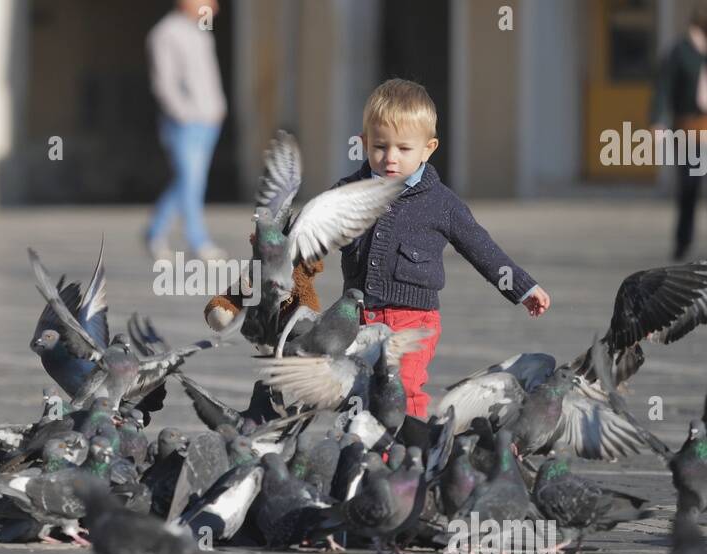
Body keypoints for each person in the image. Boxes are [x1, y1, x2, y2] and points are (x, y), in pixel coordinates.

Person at [206, 79, 551, 419]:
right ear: (363, 143)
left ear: (429, 148)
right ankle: (363, 456)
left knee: (401, 387)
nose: (390, 158)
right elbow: (312, 242)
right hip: (353, 320)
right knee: (356, 389)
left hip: (412, 322)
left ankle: (412, 454)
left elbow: (481, 248)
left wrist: (522, 287)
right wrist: (278, 255)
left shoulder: (442, 204)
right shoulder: (347, 192)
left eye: (404, 149)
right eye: (380, 146)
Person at [145, 0, 227, 262]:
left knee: (189, 181)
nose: (213, 6)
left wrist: (217, 107)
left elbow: (208, 78)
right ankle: (198, 240)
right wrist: (184, 114)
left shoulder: (200, 33)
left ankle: (155, 231)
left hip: (208, 120)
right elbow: (164, 83)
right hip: (184, 123)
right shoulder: (165, 33)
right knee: (192, 181)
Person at [651, 1, 707, 261]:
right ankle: (683, 242)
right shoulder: (681, 52)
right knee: (689, 187)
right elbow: (663, 87)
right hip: (689, 130)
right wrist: (658, 121)